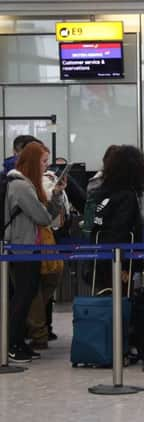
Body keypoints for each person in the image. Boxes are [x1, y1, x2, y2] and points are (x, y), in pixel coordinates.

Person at [5, 143, 66, 363]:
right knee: (22, 297)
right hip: (22, 249)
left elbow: (46, 215)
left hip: (30, 247)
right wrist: (52, 202)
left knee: (28, 295)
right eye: (43, 162)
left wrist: (57, 194)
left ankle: (19, 342)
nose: (46, 167)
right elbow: (42, 217)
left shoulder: (27, 185)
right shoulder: (21, 186)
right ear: (31, 161)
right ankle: (12, 343)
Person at [91, 145, 144, 290]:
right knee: (120, 303)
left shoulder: (103, 191)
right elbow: (121, 231)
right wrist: (126, 265)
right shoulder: (128, 196)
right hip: (120, 260)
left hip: (101, 256)